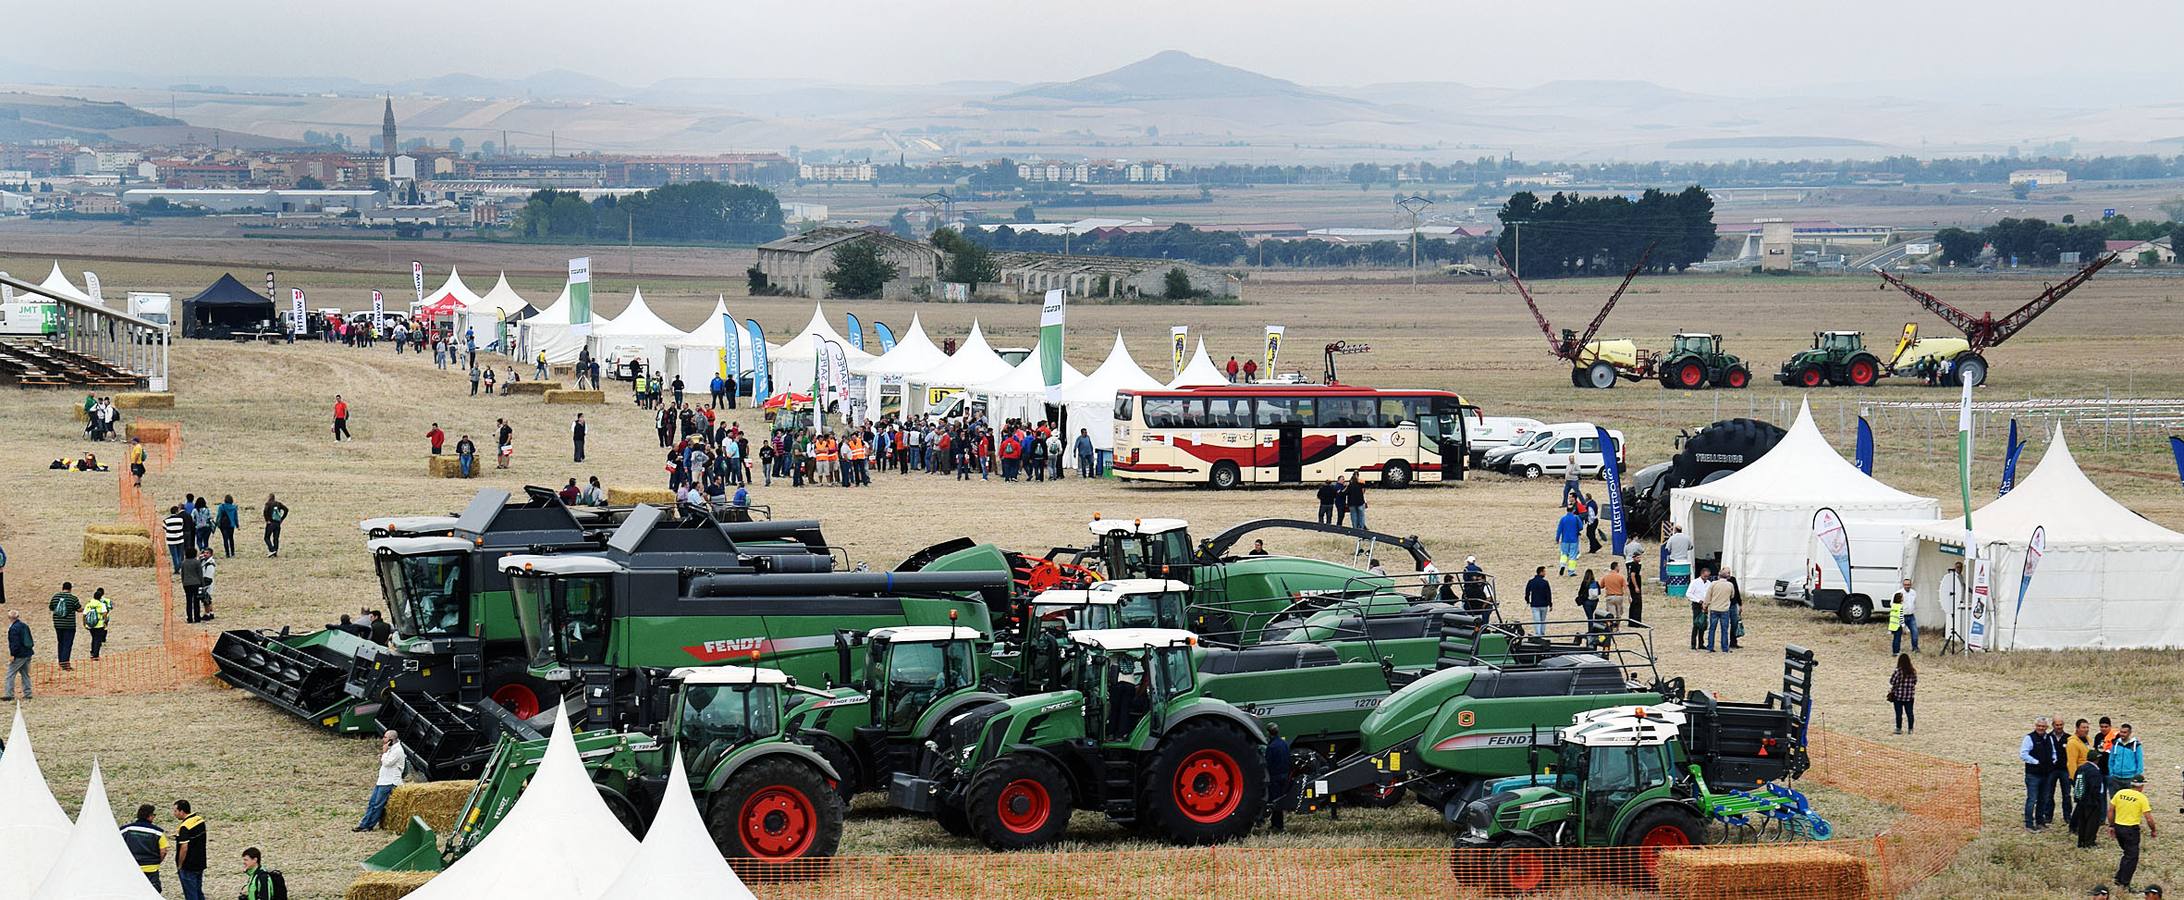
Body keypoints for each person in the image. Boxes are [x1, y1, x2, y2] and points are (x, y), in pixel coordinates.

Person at [2109, 776, 2156, 892]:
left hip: (2118, 827)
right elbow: (2149, 818)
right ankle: (2124, 884)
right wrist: (2153, 830)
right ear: (2142, 786)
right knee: (2132, 857)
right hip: (2131, 830)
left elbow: (2111, 810)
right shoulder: (2141, 798)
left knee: (2127, 854)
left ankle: (2119, 878)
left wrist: (2111, 826)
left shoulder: (2120, 793)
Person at [354, 730, 406, 832]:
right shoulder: (391, 749)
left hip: (389, 782)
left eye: (385, 737)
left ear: (391, 740)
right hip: (382, 781)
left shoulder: (397, 750)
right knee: (372, 803)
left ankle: (368, 826)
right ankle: (363, 824)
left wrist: (384, 753)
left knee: (377, 805)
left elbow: (387, 763)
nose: (383, 739)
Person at [2023, 717, 2060, 831]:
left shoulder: (2049, 738)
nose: (2041, 728)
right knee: (2032, 799)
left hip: (2046, 774)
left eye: (2043, 726)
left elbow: (2054, 752)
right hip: (2033, 774)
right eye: (2039, 726)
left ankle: (2040, 822)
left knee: (2043, 799)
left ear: (2047, 727)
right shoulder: (2029, 738)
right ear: (2035, 726)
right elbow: (2023, 754)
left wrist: (2053, 761)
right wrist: (2036, 762)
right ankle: (2029, 823)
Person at [2076, 738, 2113, 849]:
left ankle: (2081, 841)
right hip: (2092, 801)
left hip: (2081, 799)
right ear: (2096, 760)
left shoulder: (2081, 768)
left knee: (2082, 822)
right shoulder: (2094, 771)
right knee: (2092, 822)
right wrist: (2097, 800)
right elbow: (2095, 787)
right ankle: (2089, 842)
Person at [122, 803, 169, 890]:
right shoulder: (158, 832)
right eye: (153, 815)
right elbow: (163, 851)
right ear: (149, 816)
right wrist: (157, 861)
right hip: (151, 869)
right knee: (152, 891)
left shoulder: (125, 829)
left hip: (131, 867)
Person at [173, 799, 207, 900]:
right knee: (198, 891)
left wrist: (180, 865)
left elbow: (184, 848)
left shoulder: (184, 827)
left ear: (182, 811)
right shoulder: (199, 820)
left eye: (175, 811)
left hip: (188, 866)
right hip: (200, 862)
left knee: (191, 894)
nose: (174, 814)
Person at [1263, 722, 1292, 833]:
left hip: (1275, 777)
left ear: (1269, 733)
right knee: (1280, 800)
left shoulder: (1271, 747)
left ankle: (1277, 825)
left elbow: (1268, 763)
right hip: (1284, 776)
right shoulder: (1284, 744)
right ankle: (1278, 824)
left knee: (1275, 801)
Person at [2107, 724, 2145, 795]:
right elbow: (2111, 760)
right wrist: (2111, 773)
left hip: (2130, 778)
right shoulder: (2115, 744)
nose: (2122, 734)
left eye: (2124, 732)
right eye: (2121, 732)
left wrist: (2136, 776)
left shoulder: (2136, 745)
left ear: (2130, 733)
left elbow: (2140, 762)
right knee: (2115, 799)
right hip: (2115, 778)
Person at [49, 582, 79, 670]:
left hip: (58, 624)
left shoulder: (55, 597)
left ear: (62, 588)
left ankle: (61, 661)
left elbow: (51, 607)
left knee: (60, 643)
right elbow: (78, 608)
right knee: (67, 644)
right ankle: (65, 663)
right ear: (70, 588)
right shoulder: (73, 598)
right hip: (69, 625)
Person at [1705, 568, 1736, 652]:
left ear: (1719, 576)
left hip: (1714, 609)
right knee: (1724, 630)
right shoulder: (1730, 585)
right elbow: (1732, 595)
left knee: (1712, 629)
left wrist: (1705, 605)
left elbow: (1708, 596)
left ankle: (1710, 646)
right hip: (1725, 609)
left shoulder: (1713, 584)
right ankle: (1724, 647)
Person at [4, 610, 31, 700]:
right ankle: (28, 694)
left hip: (19, 655)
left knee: (10, 674)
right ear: (18, 617)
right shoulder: (24, 625)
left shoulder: (13, 629)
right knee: (25, 675)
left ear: (9, 618)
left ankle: (9, 695)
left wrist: (13, 655)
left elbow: (14, 644)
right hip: (28, 653)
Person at [1887, 653, 1916, 734]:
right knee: (1910, 713)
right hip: (1909, 696)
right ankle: (1910, 729)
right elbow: (1915, 682)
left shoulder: (1898, 671)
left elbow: (1892, 681)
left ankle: (1898, 728)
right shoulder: (1913, 671)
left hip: (1898, 695)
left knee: (1899, 713)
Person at [83, 587, 111, 660]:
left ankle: (92, 652)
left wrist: (84, 624)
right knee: (98, 640)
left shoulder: (89, 604)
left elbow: (84, 614)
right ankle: (95, 655)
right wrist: (105, 622)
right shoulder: (101, 604)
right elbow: (105, 614)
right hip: (99, 625)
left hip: (90, 625)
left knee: (93, 638)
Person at [181, 552, 210, 623]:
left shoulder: (184, 563)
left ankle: (189, 618)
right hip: (196, 583)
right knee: (196, 602)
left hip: (187, 584)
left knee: (188, 601)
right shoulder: (197, 562)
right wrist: (203, 585)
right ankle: (197, 618)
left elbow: (182, 574)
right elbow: (200, 574)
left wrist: (183, 583)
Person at [1893, 577, 1920, 654]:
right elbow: (1893, 604)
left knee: (1915, 632)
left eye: (1908, 584)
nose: (1907, 586)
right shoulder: (1899, 593)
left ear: (1911, 585)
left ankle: (1915, 648)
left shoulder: (1913, 593)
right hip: (1901, 616)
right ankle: (1896, 651)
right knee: (1898, 634)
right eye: (1905, 585)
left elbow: (1914, 603)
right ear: (1903, 585)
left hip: (1911, 616)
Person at [1524, 566, 1552, 636]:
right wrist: (1550, 604)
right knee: (1543, 620)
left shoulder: (1531, 582)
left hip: (1535, 604)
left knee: (1537, 620)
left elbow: (1527, 592)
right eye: (1544, 571)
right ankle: (1542, 633)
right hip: (1544, 604)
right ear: (1541, 572)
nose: (1545, 573)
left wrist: (1527, 600)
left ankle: (1538, 633)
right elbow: (1548, 594)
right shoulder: (1545, 582)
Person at [1555, 504, 1582, 576]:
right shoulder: (1576, 518)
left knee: (1564, 554)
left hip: (1565, 539)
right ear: (1573, 510)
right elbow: (1581, 527)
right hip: (1574, 539)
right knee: (1572, 556)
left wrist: (1557, 538)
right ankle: (1571, 571)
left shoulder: (1563, 519)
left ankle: (1562, 565)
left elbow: (1559, 530)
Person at [1600, 561, 1628, 625]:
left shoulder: (1606, 577)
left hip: (1610, 597)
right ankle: (1617, 627)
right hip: (1619, 597)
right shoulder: (1621, 577)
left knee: (1611, 615)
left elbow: (1601, 586)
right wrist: (1629, 597)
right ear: (1616, 567)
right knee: (1619, 614)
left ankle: (1611, 627)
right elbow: (1626, 587)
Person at [261, 494, 287, 558]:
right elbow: (286, 510)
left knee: (266, 537)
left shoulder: (268, 504)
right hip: (277, 523)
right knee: (276, 538)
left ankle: (272, 550)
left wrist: (267, 520)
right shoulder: (278, 504)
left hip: (270, 523)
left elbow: (265, 511)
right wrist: (282, 519)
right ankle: (275, 552)